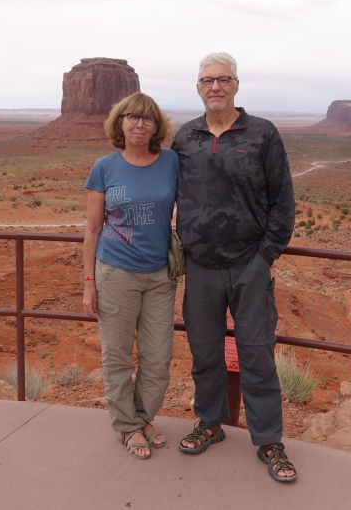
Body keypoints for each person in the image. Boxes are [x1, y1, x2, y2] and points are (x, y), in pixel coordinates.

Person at [171, 52, 298, 481]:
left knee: (256, 356)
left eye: (224, 79)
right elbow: (165, 193)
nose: (216, 86)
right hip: (200, 268)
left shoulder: (262, 133)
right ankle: (210, 423)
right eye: (207, 80)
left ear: (237, 86)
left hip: (250, 266)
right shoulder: (185, 136)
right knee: (205, 355)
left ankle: (268, 441)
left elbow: (283, 203)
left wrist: (264, 259)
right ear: (198, 87)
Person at [82, 92, 179, 460]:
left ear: (157, 126)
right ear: (119, 122)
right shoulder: (104, 167)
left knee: (158, 358)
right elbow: (92, 230)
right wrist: (88, 284)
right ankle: (127, 426)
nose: (140, 124)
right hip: (115, 273)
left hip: (159, 276)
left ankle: (141, 416)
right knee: (118, 356)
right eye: (132, 117)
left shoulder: (170, 162)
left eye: (148, 119)